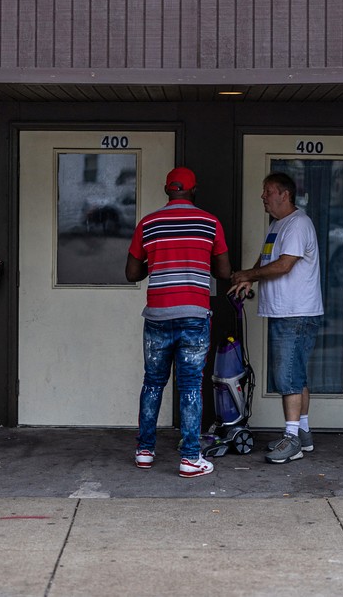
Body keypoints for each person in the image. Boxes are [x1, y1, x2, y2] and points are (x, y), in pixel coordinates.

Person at [126, 166, 232, 478]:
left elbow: (132, 273)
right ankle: (189, 458)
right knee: (190, 386)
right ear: (193, 190)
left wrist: (156, 264)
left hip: (157, 315)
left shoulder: (148, 223)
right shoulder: (210, 223)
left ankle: (144, 452)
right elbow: (224, 273)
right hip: (194, 316)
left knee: (153, 383)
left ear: (166, 189)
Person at [229, 172, 323, 464]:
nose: (263, 196)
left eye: (268, 191)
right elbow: (267, 259)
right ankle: (303, 434)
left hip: (296, 312)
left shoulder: (297, 224)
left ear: (285, 194)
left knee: (288, 376)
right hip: (286, 310)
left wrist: (247, 274)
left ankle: (292, 438)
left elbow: (283, 266)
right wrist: (250, 279)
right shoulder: (278, 224)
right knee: (296, 373)